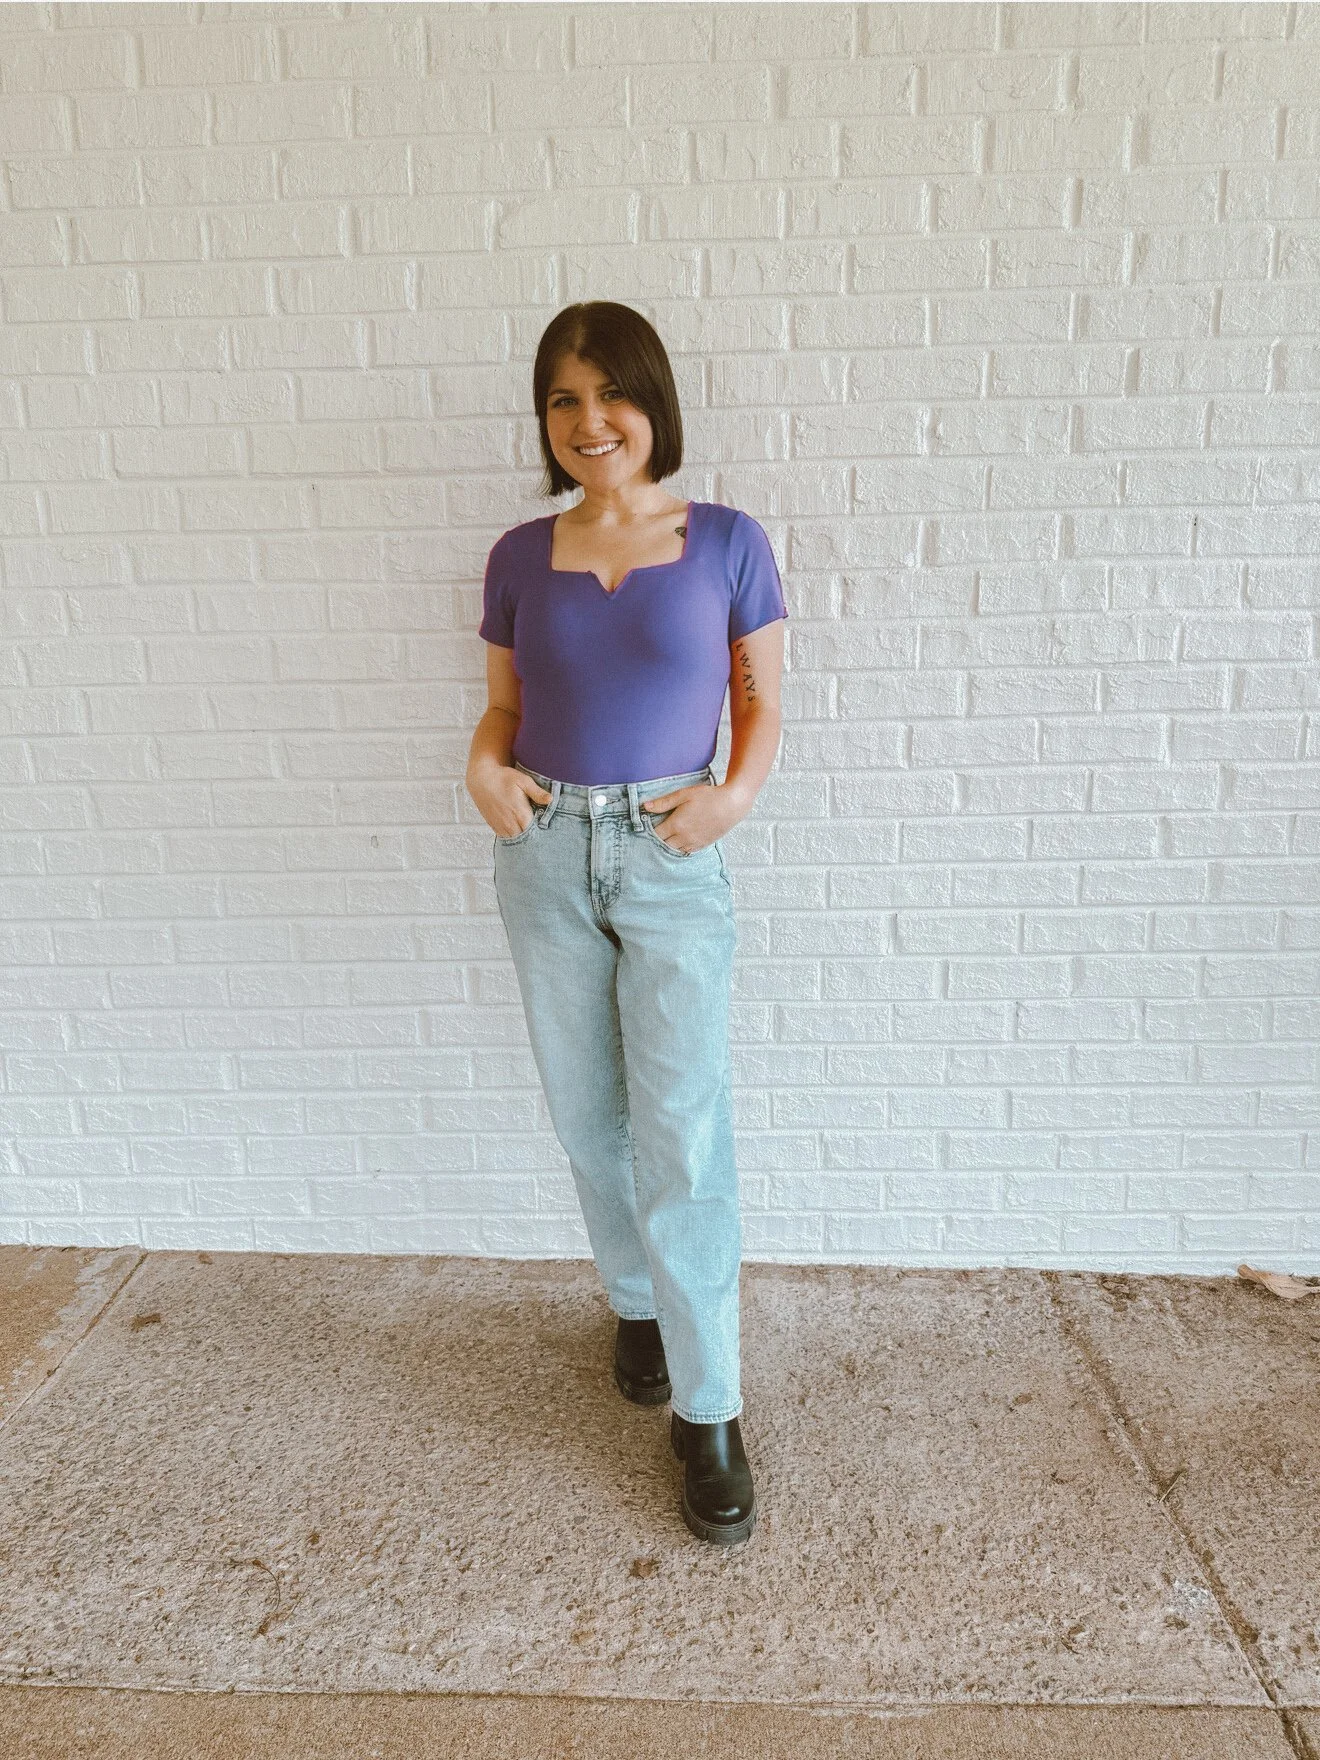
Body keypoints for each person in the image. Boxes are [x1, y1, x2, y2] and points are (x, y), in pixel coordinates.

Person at [466, 301, 787, 1546]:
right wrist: (482, 770)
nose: (589, 421)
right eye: (562, 398)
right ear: (544, 419)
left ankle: (709, 1407)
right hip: (543, 854)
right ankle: (635, 1299)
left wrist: (733, 800)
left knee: (686, 1126)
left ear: (653, 404)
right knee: (587, 1114)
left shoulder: (725, 541)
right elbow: (501, 705)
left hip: (666, 855)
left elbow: (761, 698)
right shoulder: (515, 555)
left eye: (612, 394)